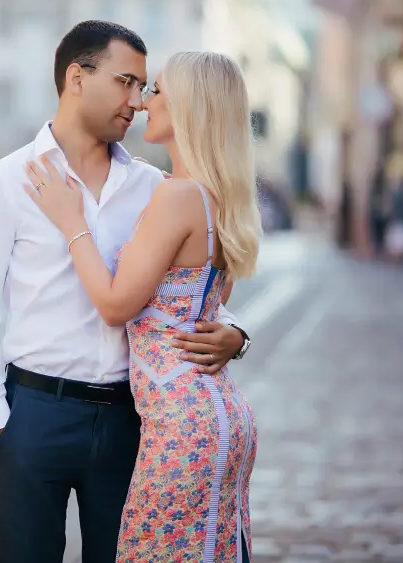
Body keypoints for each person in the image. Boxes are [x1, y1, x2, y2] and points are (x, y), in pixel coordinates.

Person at [0, 21, 252, 563]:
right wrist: (1, 428)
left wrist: (236, 333)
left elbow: (185, 289)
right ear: (76, 78)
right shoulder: (3, 182)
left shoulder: (154, 187)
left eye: (144, 86)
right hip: (36, 412)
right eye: (125, 82)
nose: (137, 102)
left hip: (130, 422)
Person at [24, 51, 260, 562]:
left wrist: (71, 222)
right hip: (220, 415)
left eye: (156, 92)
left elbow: (115, 305)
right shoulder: (217, 196)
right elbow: (209, 304)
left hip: (181, 424)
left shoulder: (177, 197)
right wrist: (237, 338)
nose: (144, 103)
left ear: (188, 108)